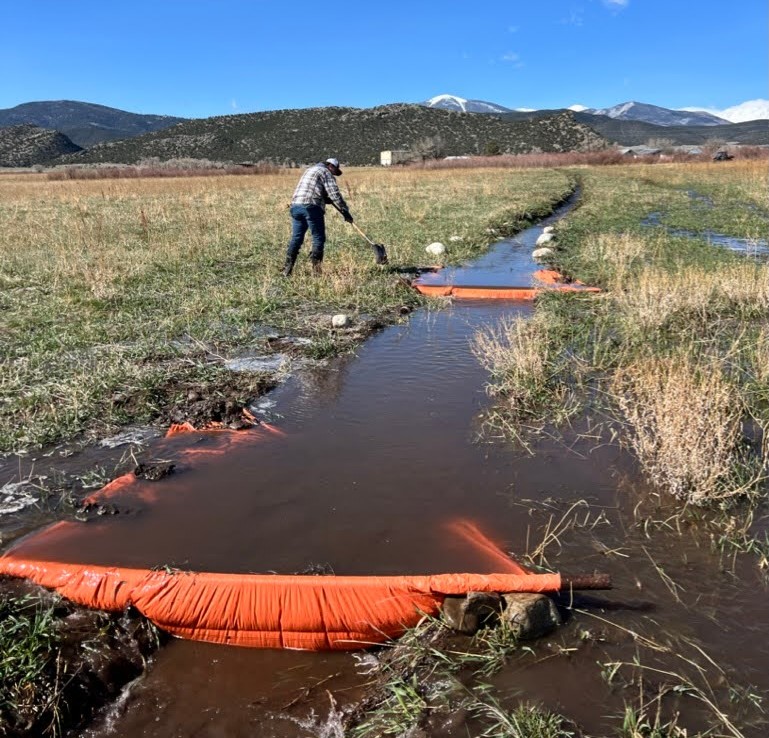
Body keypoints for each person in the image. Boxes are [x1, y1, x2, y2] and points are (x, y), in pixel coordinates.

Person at [282, 157, 353, 277]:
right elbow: (334, 193)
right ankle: (316, 272)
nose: (334, 174)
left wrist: (325, 198)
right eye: (334, 171)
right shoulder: (325, 172)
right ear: (331, 166)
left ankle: (287, 269)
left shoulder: (310, 170)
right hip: (311, 207)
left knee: (296, 238)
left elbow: (313, 188)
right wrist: (345, 210)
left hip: (295, 206)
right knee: (318, 238)